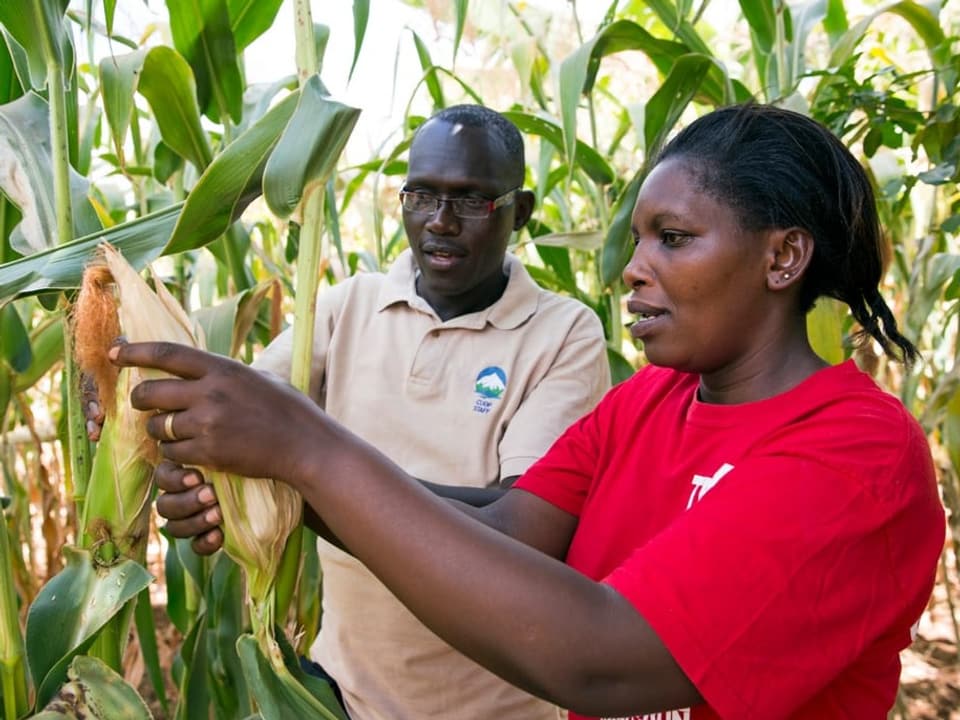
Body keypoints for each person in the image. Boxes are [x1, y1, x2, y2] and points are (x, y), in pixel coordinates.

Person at [114, 103, 945, 719]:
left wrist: (309, 454)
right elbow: (504, 531)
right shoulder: (650, 401)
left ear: (783, 256)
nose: (633, 267)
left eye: (674, 239)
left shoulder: (854, 459)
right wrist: (286, 491)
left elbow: (600, 660)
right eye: (638, 238)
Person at [138, 104, 607, 720]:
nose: (440, 222)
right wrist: (172, 446)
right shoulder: (344, 309)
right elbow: (238, 419)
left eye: (470, 201)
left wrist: (305, 480)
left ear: (519, 211)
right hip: (342, 698)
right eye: (422, 196)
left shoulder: (563, 333)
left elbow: (516, 531)